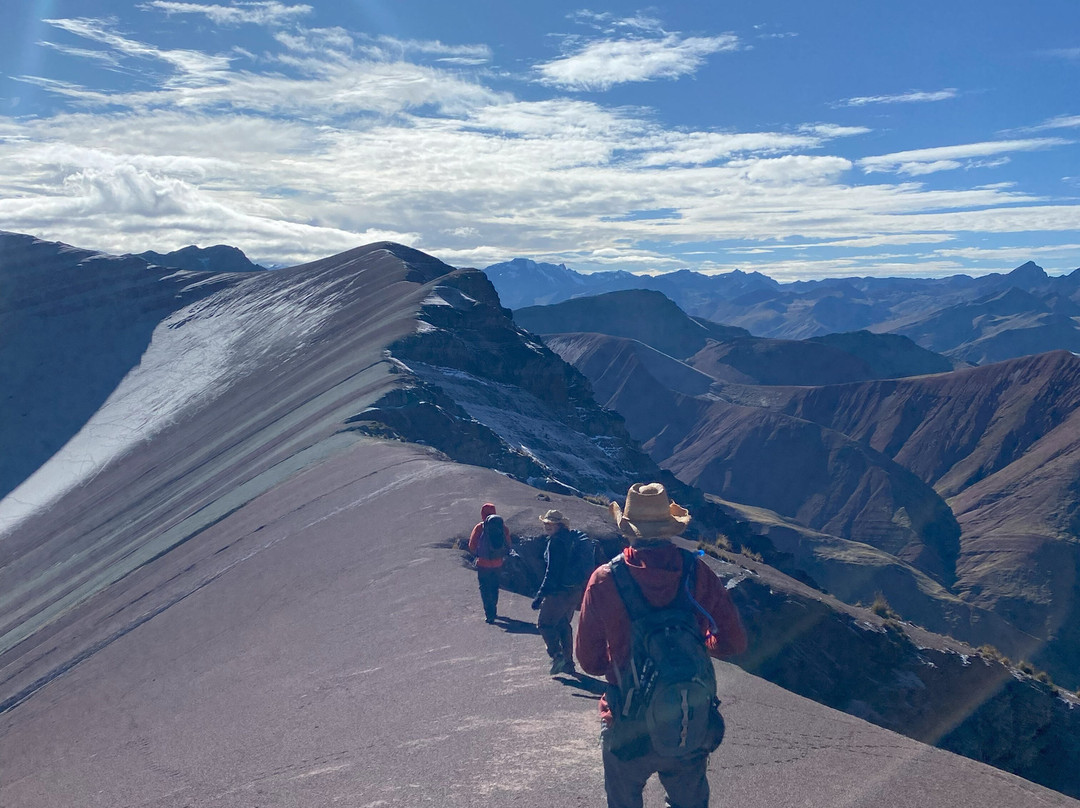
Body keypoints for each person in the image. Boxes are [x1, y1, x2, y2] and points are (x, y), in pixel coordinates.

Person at [576, 482, 747, 808]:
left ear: (628, 530)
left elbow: (590, 662)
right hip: (687, 718)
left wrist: (626, 658)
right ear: (669, 529)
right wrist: (695, 646)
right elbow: (733, 641)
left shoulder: (604, 579)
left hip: (626, 722)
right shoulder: (697, 571)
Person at [531, 509, 584, 676]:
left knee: (545, 624)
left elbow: (552, 572)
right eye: (546, 523)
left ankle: (557, 656)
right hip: (574, 590)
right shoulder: (571, 539)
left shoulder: (556, 542)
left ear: (559, 525)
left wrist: (540, 594)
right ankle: (569, 664)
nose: (547, 526)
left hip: (559, 592)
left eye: (550, 523)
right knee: (562, 624)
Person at [467, 502, 510, 624]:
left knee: (485, 588)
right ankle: (494, 610)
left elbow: (471, 545)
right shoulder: (503, 527)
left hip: (483, 564)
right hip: (498, 563)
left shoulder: (480, 527)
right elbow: (508, 544)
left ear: (482, 514)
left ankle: (489, 614)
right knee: (494, 586)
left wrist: (479, 554)